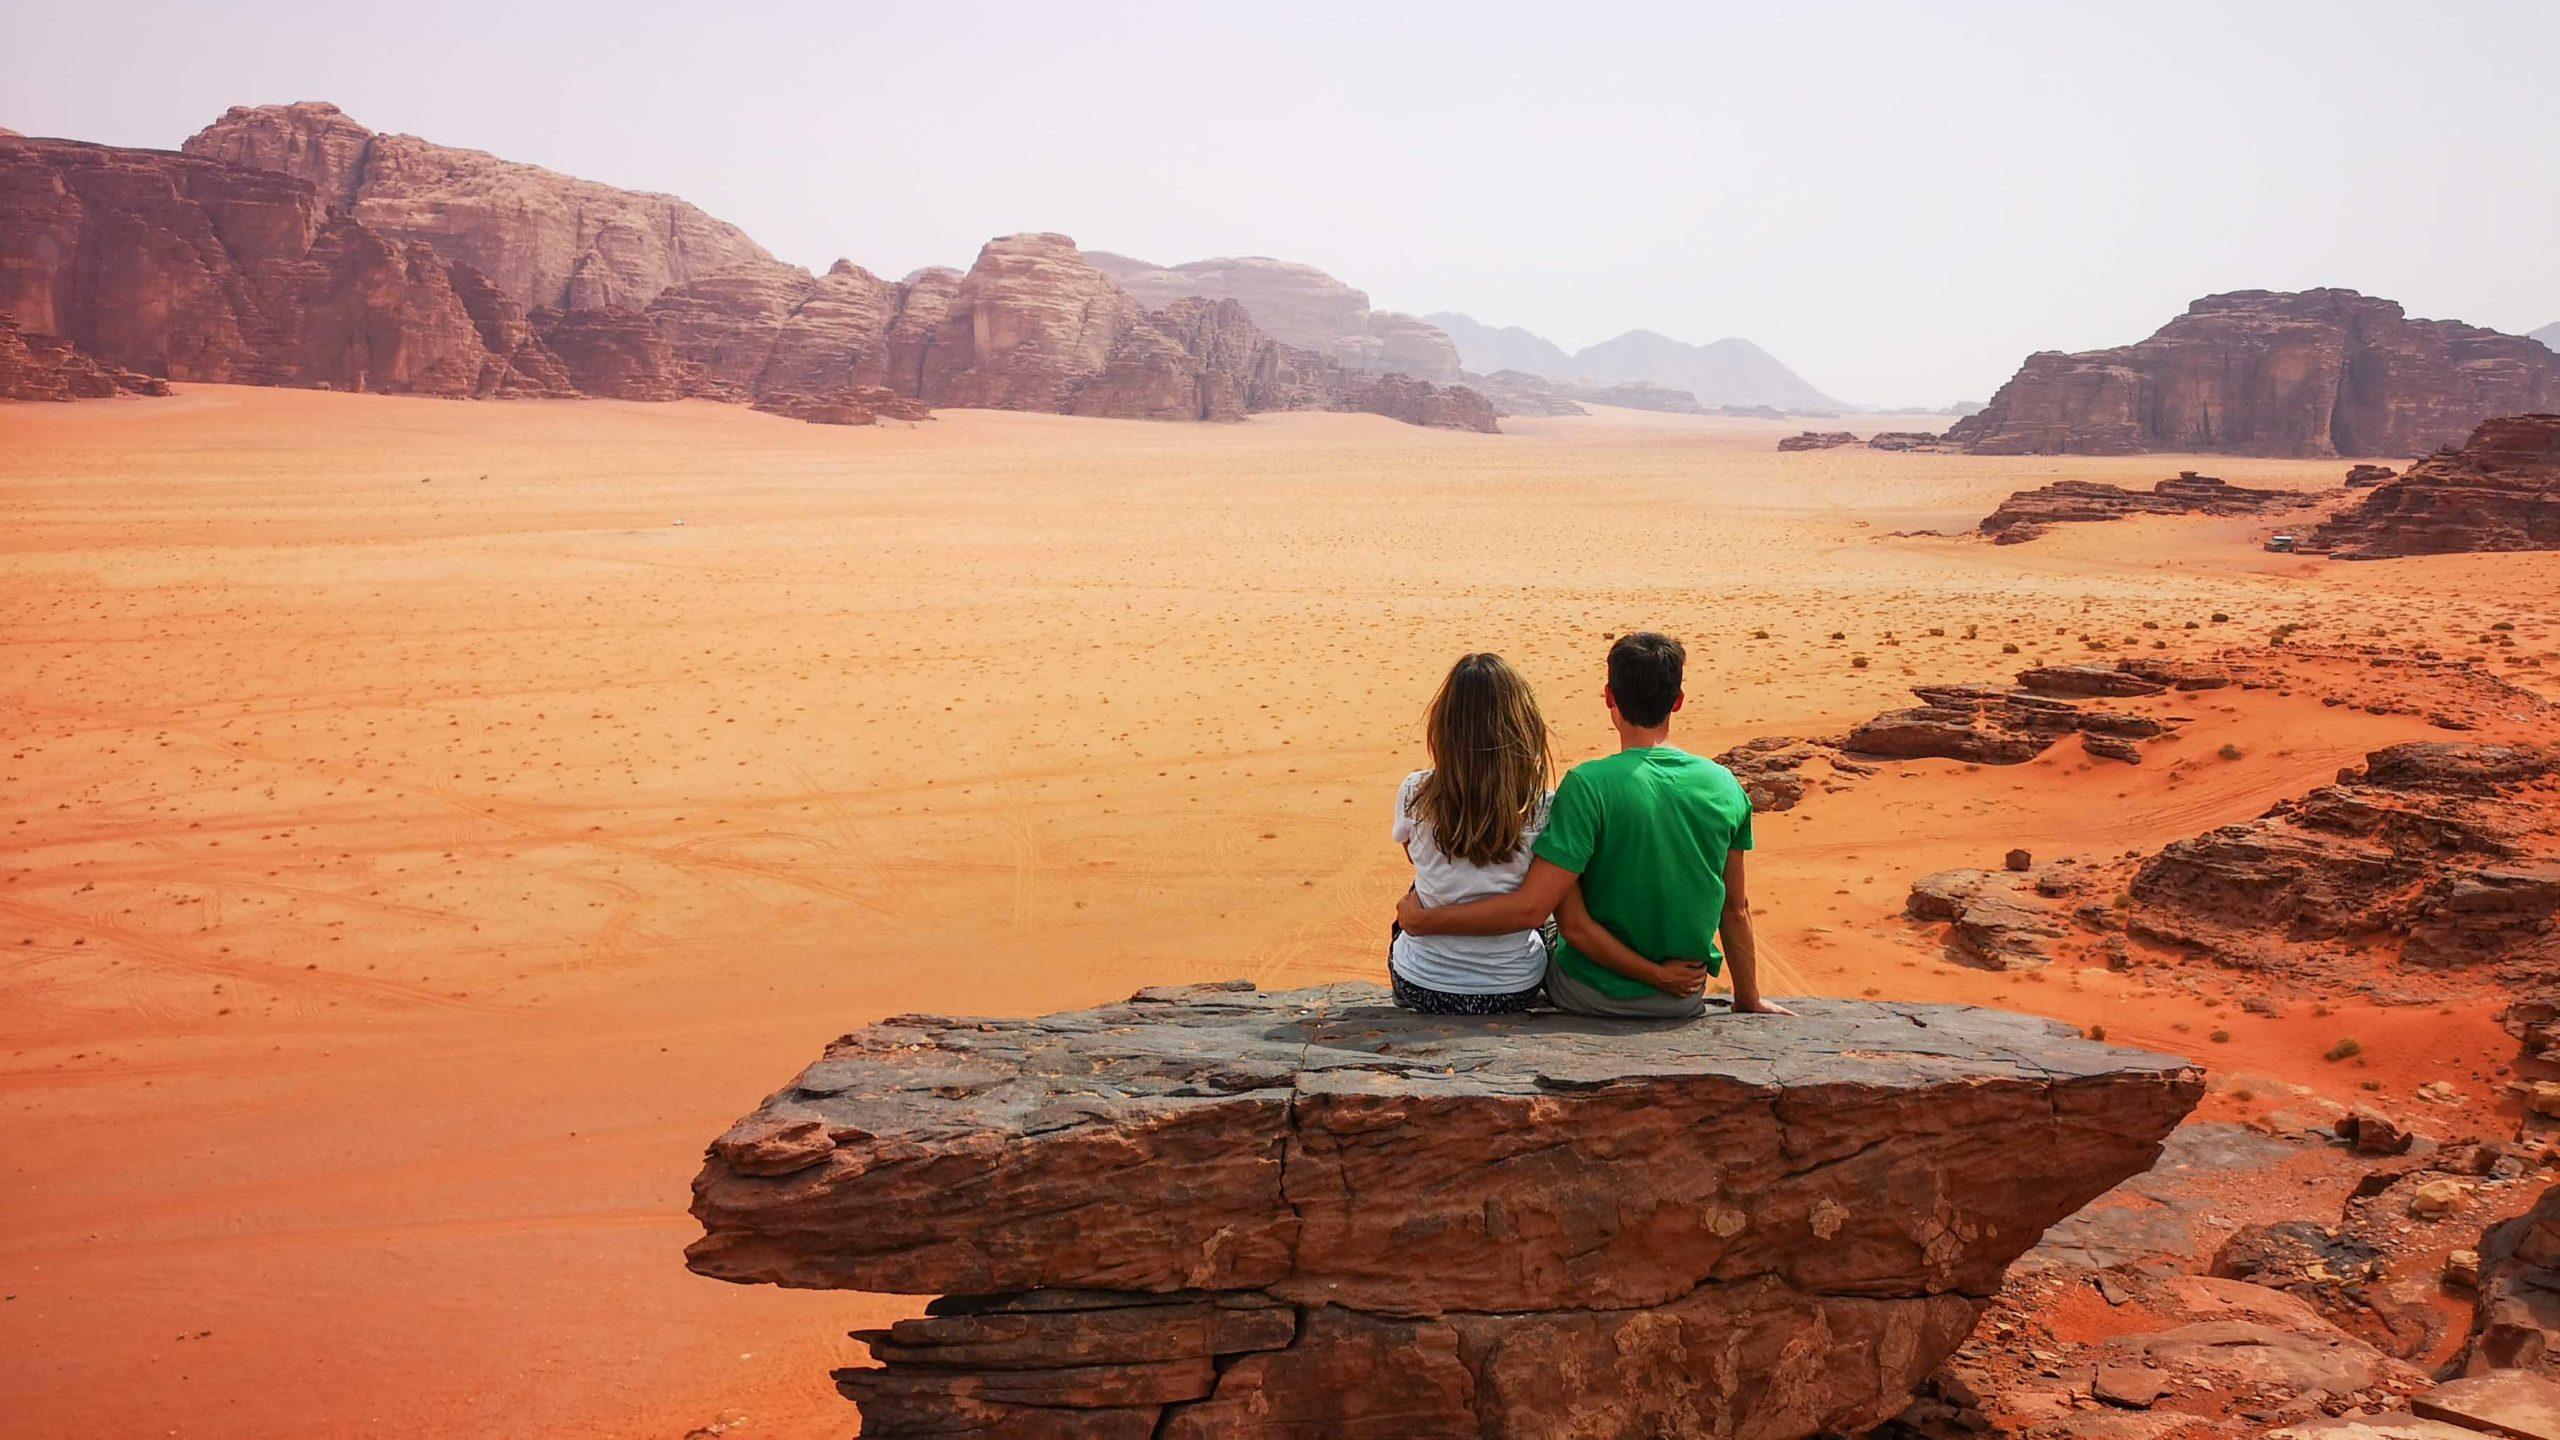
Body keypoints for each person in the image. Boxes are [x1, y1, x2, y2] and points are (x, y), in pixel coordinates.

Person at [1397, 632, 1790, 1018]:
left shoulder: (1586, 787)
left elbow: (1570, 924)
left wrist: (1423, 920)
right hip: (1680, 997)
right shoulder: (1725, 786)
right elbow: (1736, 911)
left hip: (1581, 992)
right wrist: (1747, 998)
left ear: (1609, 697)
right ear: (1679, 701)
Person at [1386, 652, 1660, 1015]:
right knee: (1549, 911)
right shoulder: (1544, 807)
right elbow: (1539, 908)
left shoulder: (1414, 792)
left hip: (1422, 986)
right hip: (1513, 989)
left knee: (1418, 890)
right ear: (1522, 726)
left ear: (1444, 725)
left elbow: (1414, 855)